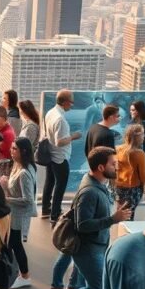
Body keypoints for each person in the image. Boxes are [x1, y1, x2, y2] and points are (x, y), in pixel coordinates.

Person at [47, 147, 132, 289]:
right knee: (96, 288)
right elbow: (83, 225)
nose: (116, 167)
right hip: (88, 248)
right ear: (101, 167)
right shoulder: (90, 192)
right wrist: (112, 219)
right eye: (113, 164)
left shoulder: (96, 184)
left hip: (96, 245)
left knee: (93, 286)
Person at [43, 90, 83, 224]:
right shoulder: (60, 119)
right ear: (65, 102)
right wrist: (74, 136)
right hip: (60, 157)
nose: (72, 105)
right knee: (60, 186)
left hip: (51, 154)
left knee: (50, 183)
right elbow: (59, 141)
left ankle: (46, 209)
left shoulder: (50, 112)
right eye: (71, 102)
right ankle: (55, 214)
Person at [4, 137, 36, 289]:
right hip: (14, 213)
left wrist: (6, 198)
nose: (11, 151)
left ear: (23, 151)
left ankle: (25, 275)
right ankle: (19, 273)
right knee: (13, 243)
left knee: (15, 244)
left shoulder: (23, 172)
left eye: (14, 149)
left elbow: (28, 200)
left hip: (18, 214)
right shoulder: (19, 166)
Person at [115, 124, 145, 214]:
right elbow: (143, 176)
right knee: (129, 215)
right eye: (143, 134)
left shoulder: (117, 149)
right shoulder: (139, 153)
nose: (144, 136)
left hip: (118, 188)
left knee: (121, 214)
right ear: (138, 137)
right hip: (132, 189)